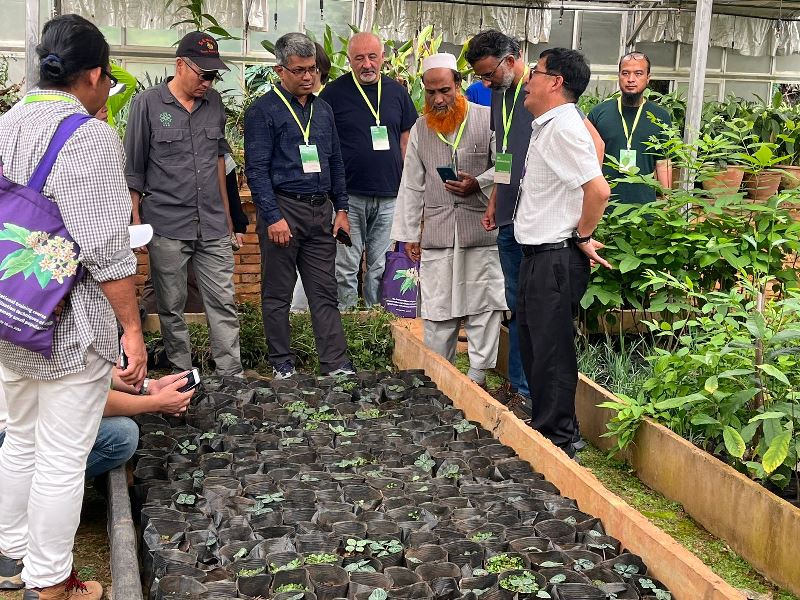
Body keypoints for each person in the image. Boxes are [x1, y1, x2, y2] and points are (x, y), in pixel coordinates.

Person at [0, 14, 146, 599]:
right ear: (93, 75)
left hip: (10, 309)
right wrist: (131, 331)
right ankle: (52, 582)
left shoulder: (5, 125)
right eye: (107, 82)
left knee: (20, 438)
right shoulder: (88, 138)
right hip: (65, 322)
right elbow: (108, 252)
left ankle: (10, 556)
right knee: (63, 455)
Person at [465, 30, 605, 412]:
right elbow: (508, 154)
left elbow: (595, 157)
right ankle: (522, 389)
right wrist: (496, 197)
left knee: (542, 328)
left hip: (549, 234)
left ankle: (525, 392)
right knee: (519, 310)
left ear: (511, 61)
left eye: (490, 72)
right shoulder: (504, 97)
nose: (487, 81)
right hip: (516, 218)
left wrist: (578, 228)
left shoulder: (558, 109)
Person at [125, 31, 244, 378]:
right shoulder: (148, 104)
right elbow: (134, 170)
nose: (208, 82)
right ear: (180, 65)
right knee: (171, 307)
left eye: (213, 76)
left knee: (223, 303)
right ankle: (182, 375)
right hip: (166, 225)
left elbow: (221, 162)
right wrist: (135, 224)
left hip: (211, 223)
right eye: (202, 74)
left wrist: (228, 220)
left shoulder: (215, 104)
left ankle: (231, 377)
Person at [515, 48, 611, 458]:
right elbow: (596, 153)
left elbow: (599, 189)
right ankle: (547, 429)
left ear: (555, 82)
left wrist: (582, 234)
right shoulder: (554, 123)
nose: (528, 81)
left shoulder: (562, 128)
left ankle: (558, 440)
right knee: (537, 347)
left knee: (551, 353)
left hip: (554, 255)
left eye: (534, 73)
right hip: (540, 255)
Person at [391, 53, 507, 387]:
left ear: (459, 85)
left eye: (445, 90)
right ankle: (437, 376)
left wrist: (479, 183)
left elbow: (507, 165)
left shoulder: (489, 119)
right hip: (439, 234)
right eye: (431, 93)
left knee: (484, 306)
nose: (439, 99)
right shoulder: (420, 128)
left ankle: (477, 377)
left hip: (480, 233)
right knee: (438, 308)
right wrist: (409, 233)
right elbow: (412, 184)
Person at [244, 32, 355, 379]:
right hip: (284, 208)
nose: (308, 77)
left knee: (325, 290)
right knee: (277, 292)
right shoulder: (263, 112)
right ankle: (282, 364)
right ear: (280, 71)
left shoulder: (323, 110)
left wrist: (342, 209)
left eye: (313, 70)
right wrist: (272, 217)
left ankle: (336, 364)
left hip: (321, 210)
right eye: (299, 70)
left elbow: (335, 160)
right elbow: (256, 170)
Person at [320, 32, 418, 310]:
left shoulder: (397, 92)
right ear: (349, 60)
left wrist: (409, 190)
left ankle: (375, 324)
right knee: (346, 267)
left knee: (380, 267)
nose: (366, 64)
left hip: (390, 196)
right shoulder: (333, 94)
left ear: (382, 58)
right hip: (348, 197)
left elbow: (406, 141)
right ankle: (347, 326)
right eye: (359, 58)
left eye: (372, 57)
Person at [0, 372, 194, 480]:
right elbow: (90, 401)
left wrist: (148, 386)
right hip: (10, 434)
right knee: (122, 435)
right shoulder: (42, 321)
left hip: (26, 419)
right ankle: (33, 485)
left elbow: (92, 372)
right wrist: (156, 403)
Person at [588, 51, 672, 205]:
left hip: (645, 208)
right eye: (625, 73)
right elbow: (586, 159)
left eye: (638, 73)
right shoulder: (599, 113)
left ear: (648, 78)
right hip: (605, 208)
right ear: (619, 76)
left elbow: (663, 162)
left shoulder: (660, 117)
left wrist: (667, 201)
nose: (631, 79)